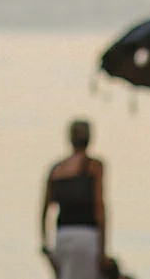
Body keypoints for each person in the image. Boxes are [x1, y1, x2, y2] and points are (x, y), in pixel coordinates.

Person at [40, 119, 110, 279]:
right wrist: (103, 249)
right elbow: (99, 205)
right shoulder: (94, 166)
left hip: (63, 236)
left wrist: (45, 246)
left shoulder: (57, 169)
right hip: (87, 235)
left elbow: (45, 209)